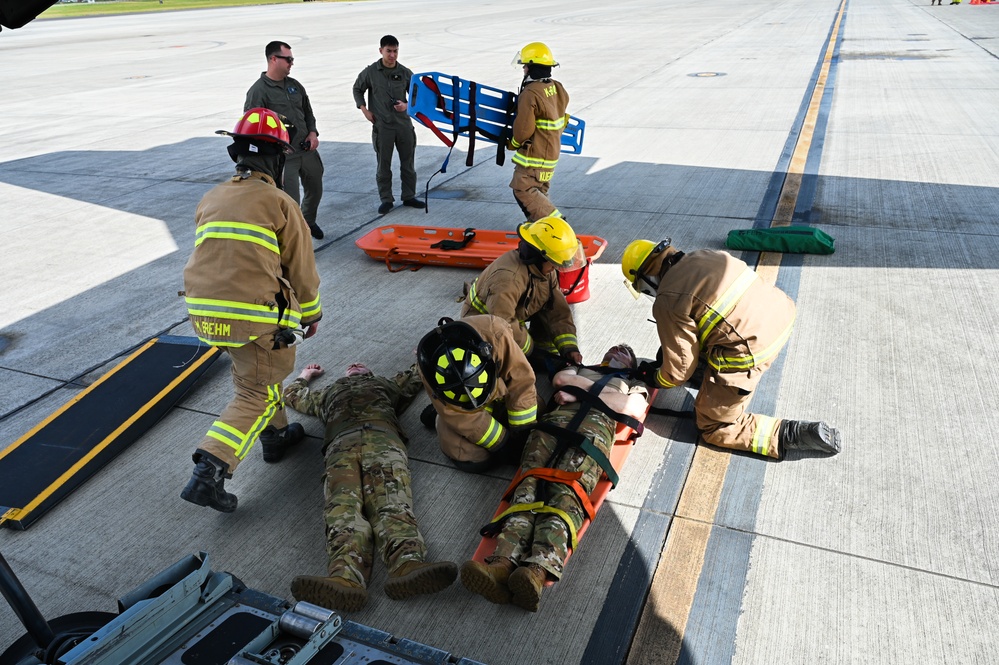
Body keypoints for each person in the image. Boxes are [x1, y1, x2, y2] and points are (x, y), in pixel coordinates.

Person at [180, 108, 322, 513]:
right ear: (276, 158)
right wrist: (311, 315)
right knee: (254, 392)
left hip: (205, 314)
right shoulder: (279, 201)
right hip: (253, 317)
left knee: (259, 370)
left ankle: (276, 437)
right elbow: (302, 269)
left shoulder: (212, 197)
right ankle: (210, 470)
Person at [460, 344, 649, 612]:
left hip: (591, 434)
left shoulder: (632, 383)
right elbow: (560, 379)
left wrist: (578, 389)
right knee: (527, 486)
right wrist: (592, 392)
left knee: (566, 492)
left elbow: (633, 406)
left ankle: (536, 571)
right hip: (553, 425)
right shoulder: (581, 367)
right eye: (615, 347)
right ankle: (501, 564)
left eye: (627, 351)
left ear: (630, 365)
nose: (618, 349)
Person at [620, 238, 842, 459]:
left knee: (713, 427)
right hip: (779, 315)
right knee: (672, 351)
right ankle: (712, 380)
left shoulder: (668, 298)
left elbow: (678, 371)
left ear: (645, 277)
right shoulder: (705, 255)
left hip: (751, 350)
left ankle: (788, 434)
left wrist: (655, 378)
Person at [285, 361, 457, 612]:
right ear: (344, 376)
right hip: (341, 445)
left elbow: (416, 375)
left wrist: (420, 356)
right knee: (341, 508)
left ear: (371, 373)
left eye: (361, 366)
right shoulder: (328, 393)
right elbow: (292, 395)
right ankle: (344, 577)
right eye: (351, 366)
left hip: (381, 440)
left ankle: (407, 564)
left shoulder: (386, 385)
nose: (355, 364)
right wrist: (305, 375)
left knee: (391, 502)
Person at [417, 316, 539, 473]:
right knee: (472, 456)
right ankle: (438, 414)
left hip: (499, 392)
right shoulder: (428, 369)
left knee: (535, 410)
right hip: (462, 408)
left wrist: (522, 434)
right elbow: (459, 414)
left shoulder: (496, 335)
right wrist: (503, 443)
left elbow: (521, 384)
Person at [460, 217, 585, 369]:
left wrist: (569, 348)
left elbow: (556, 310)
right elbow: (503, 324)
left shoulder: (543, 268)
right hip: (484, 326)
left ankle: (545, 354)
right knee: (511, 367)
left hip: (511, 314)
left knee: (548, 303)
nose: (555, 268)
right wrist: (531, 352)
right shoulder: (508, 279)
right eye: (554, 263)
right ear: (538, 256)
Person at [245, 41, 326, 240]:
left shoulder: (294, 86)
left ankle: (308, 222)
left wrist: (313, 133)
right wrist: (275, 148)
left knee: (315, 189)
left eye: (292, 59)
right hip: (284, 157)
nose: (291, 63)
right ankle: (295, 239)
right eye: (288, 59)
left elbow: (308, 112)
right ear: (273, 59)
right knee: (290, 202)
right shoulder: (258, 91)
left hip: (306, 150)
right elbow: (253, 126)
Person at [352, 35, 425, 216]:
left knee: (408, 164)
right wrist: (364, 109)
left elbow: (419, 96)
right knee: (383, 165)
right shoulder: (371, 72)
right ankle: (386, 199)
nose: (392, 55)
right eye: (389, 51)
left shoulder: (405, 72)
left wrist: (407, 106)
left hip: (403, 126)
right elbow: (357, 88)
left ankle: (409, 196)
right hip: (382, 127)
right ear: (381, 51)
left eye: (395, 51)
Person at [508, 42, 570, 222]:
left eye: (526, 66)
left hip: (535, 157)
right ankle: (540, 229)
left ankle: (557, 225)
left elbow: (523, 131)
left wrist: (512, 143)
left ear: (533, 67)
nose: (524, 70)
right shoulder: (557, 87)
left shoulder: (530, 93)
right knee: (539, 192)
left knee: (523, 189)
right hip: (550, 154)